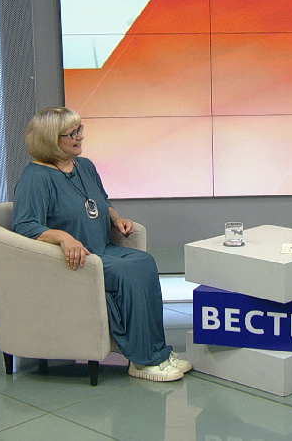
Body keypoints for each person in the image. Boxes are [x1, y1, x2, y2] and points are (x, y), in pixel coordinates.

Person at [12, 107, 192, 382]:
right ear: (50, 139)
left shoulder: (84, 166)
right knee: (128, 273)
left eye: (79, 129)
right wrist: (63, 237)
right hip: (76, 260)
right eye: (71, 133)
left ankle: (157, 352)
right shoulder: (35, 177)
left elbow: (102, 201)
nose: (79, 137)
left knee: (145, 262)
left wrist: (117, 218)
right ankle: (142, 361)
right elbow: (25, 226)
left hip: (102, 249)